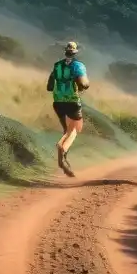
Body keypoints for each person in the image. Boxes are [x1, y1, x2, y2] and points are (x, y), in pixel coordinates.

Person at [46, 40, 89, 177]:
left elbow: (49, 87)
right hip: (72, 101)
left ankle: (64, 161)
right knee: (75, 129)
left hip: (58, 102)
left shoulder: (57, 65)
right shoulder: (78, 66)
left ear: (65, 52)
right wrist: (85, 85)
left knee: (67, 130)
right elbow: (83, 83)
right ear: (75, 52)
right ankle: (61, 149)